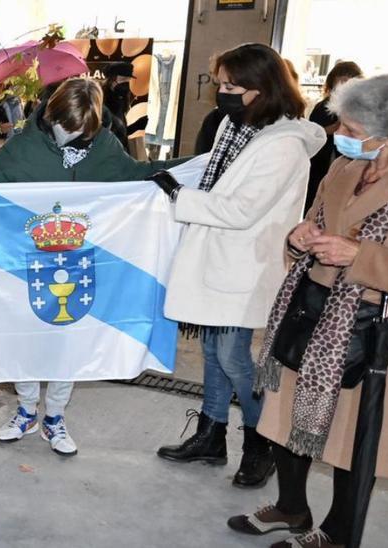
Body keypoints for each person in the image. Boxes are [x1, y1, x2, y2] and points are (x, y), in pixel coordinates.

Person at [0, 78, 189, 456]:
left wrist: (194, 168)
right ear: (53, 115)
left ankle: (54, 416)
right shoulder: (26, 144)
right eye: (66, 128)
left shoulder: (103, 144)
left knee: (68, 340)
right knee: (24, 335)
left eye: (80, 132)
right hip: (26, 262)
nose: (71, 137)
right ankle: (25, 410)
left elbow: (137, 176)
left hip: (79, 261)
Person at [227, 73, 388, 548]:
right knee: (287, 419)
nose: (338, 137)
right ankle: (291, 507)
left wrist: (360, 256)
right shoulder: (345, 167)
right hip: (310, 312)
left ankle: (338, 533)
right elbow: (315, 221)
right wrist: (299, 236)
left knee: (356, 440)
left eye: (350, 130)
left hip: (374, 334)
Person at [150, 43, 324, 489]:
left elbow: (240, 210)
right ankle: (211, 434)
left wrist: (177, 196)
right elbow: (218, 181)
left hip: (245, 264)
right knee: (212, 351)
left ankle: (260, 442)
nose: (222, 93)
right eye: (221, 84)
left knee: (232, 356)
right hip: (221, 258)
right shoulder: (241, 127)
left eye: (231, 85)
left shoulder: (282, 145)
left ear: (261, 88)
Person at [306, 62, 364, 216]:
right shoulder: (323, 107)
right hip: (321, 163)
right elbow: (312, 134)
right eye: (342, 80)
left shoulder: (362, 109)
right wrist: (329, 130)